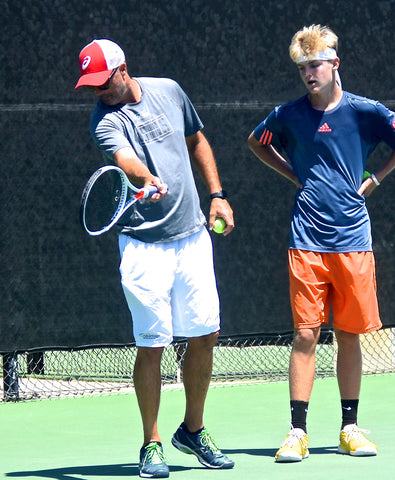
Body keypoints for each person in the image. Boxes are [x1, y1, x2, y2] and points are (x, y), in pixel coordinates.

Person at [248, 24, 395, 463]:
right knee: (306, 334)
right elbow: (257, 142)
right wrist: (295, 176)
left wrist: (375, 179)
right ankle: (297, 432)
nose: (309, 73)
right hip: (306, 240)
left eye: (316, 65)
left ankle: (349, 427)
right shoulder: (287, 115)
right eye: (303, 67)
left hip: (353, 242)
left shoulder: (364, 111)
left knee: (348, 334)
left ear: (334, 64)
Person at [75, 39, 235, 478]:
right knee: (152, 344)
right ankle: (152, 443)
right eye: (91, 86)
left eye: (103, 82)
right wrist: (147, 178)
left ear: (123, 70)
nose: (98, 92)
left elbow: (196, 139)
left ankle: (193, 430)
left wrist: (217, 195)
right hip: (144, 248)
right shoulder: (103, 120)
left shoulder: (168, 89)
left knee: (206, 335)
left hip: (192, 237)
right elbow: (125, 159)